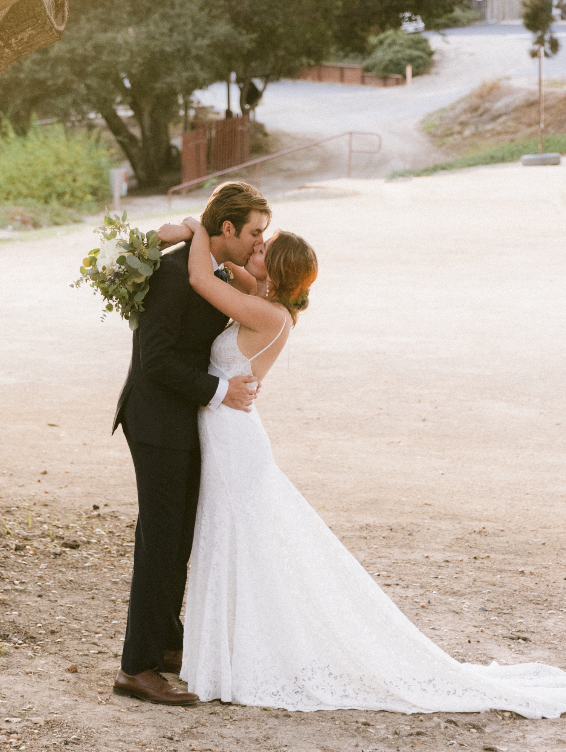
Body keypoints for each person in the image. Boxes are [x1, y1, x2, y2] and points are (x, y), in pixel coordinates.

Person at [177, 215, 566, 718]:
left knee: (239, 539)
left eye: (263, 247)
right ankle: (229, 650)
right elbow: (232, 273)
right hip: (229, 432)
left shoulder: (268, 315)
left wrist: (195, 228)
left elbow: (200, 279)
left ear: (273, 269)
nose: (256, 247)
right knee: (236, 538)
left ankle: (239, 656)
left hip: (234, 439)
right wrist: (234, 256)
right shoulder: (268, 301)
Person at [111, 181, 271, 706]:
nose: (257, 242)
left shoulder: (210, 269)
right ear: (227, 228)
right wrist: (221, 391)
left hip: (184, 421)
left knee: (179, 538)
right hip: (157, 421)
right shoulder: (178, 273)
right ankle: (136, 668)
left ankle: (166, 639)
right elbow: (155, 360)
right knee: (160, 541)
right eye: (253, 232)